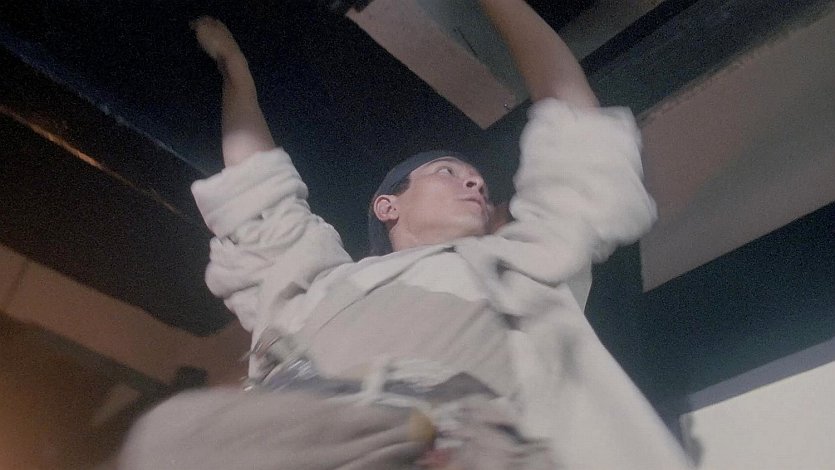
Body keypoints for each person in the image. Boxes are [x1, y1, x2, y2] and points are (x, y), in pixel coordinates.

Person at [120, 1, 692, 468]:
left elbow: (574, 122)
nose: (475, 181)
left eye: (476, 179)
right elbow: (256, 190)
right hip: (309, 433)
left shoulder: (520, 267)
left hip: (458, 443)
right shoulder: (317, 289)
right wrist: (235, 71)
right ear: (387, 205)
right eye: (447, 171)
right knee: (173, 436)